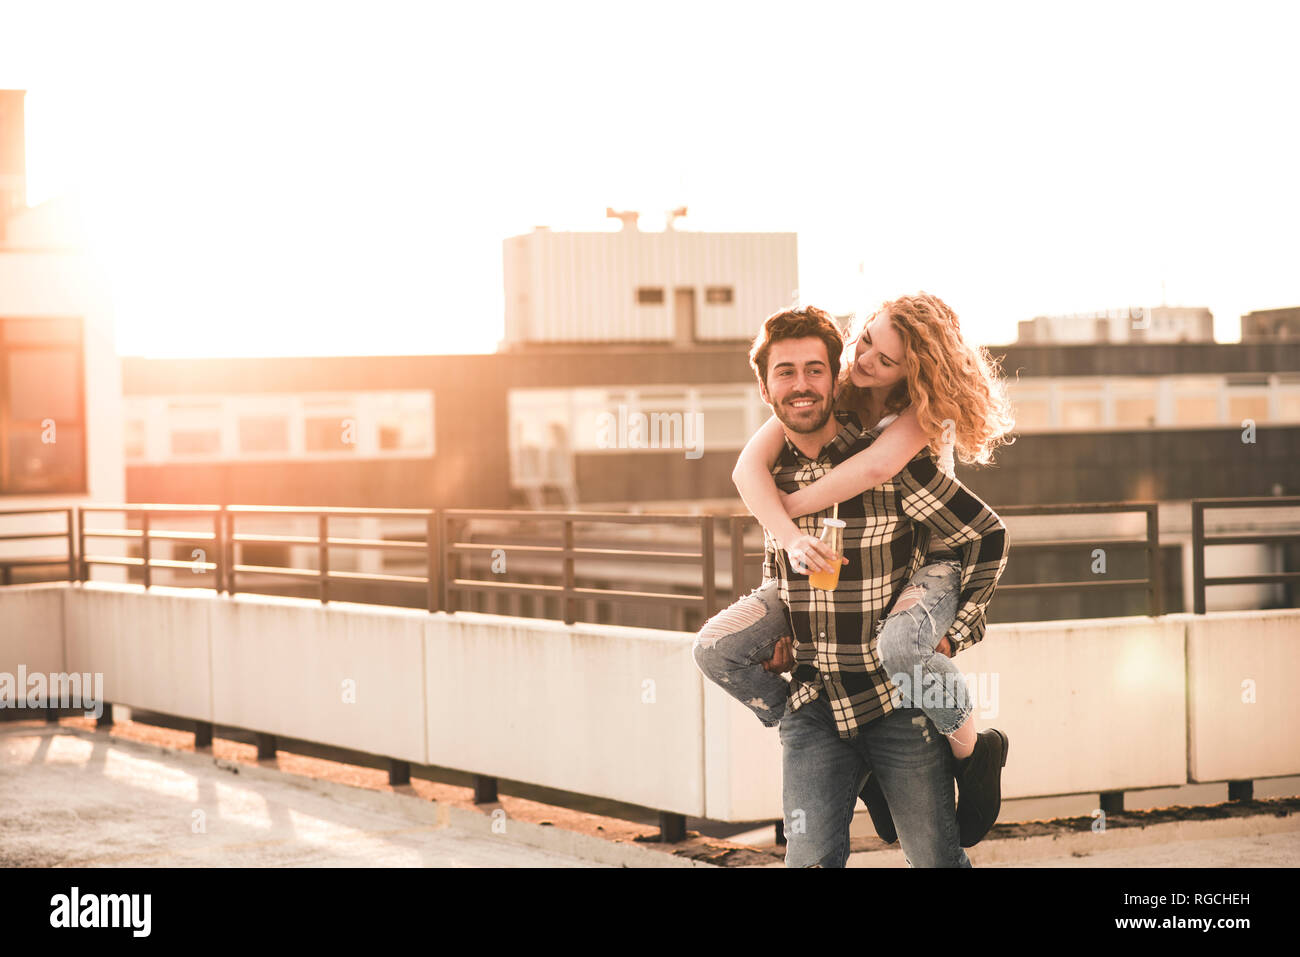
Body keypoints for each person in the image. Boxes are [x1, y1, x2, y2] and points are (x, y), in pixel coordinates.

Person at [692, 298, 1013, 866]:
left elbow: (877, 473)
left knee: (937, 853)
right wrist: (787, 539)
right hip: (820, 696)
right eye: (864, 340)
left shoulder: (912, 425)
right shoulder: (822, 398)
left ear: (909, 372)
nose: (863, 360)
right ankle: (809, 720)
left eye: (882, 358)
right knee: (715, 648)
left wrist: (955, 631)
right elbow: (747, 472)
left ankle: (971, 752)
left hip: (932, 568)